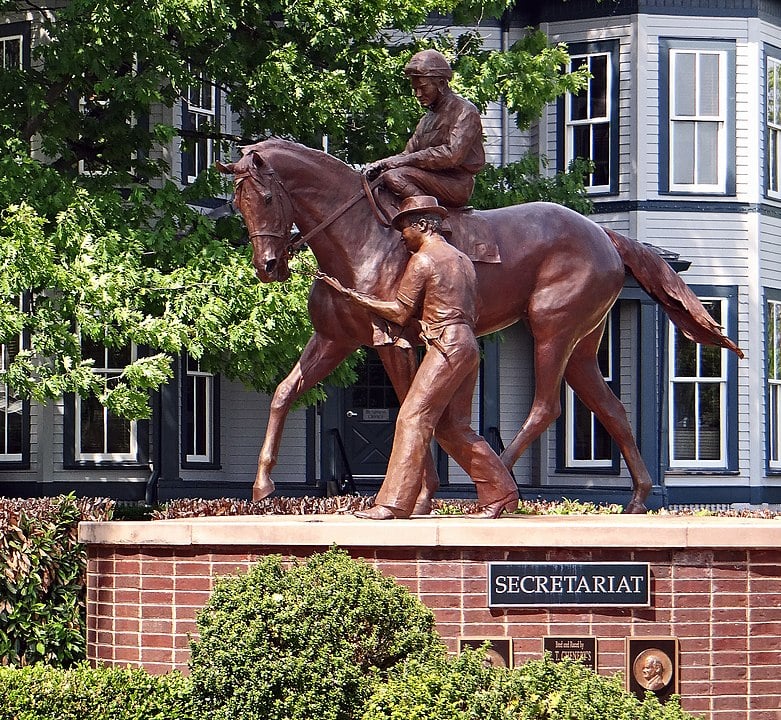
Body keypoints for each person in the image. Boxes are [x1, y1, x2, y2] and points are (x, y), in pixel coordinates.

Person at [318, 195, 519, 520]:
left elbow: (398, 312)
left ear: (423, 225)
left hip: (445, 345)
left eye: (405, 228)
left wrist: (353, 297)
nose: (401, 236)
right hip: (467, 344)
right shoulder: (463, 260)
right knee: (454, 428)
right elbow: (474, 308)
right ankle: (501, 492)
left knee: (412, 417)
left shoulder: (423, 261)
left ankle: (392, 503)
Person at [364, 49, 485, 208]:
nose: (418, 94)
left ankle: (429, 215)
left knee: (394, 177)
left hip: (456, 184)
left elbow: (452, 155)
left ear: (441, 84)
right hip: (428, 178)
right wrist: (381, 163)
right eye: (415, 89)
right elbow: (407, 153)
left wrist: (401, 162)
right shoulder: (426, 120)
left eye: (422, 87)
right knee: (382, 177)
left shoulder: (465, 111)